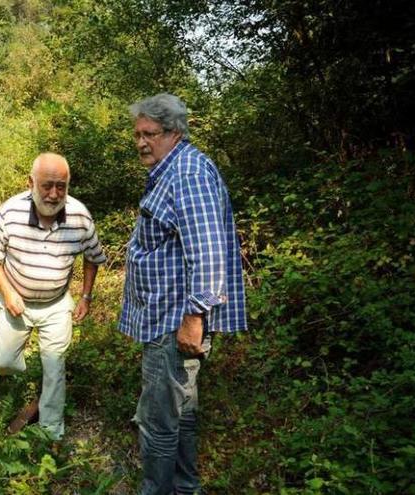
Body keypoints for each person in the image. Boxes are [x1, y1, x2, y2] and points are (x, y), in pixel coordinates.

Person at [119, 93, 247, 495]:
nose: (141, 142)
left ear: (173, 133)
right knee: (182, 412)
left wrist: (195, 317)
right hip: (166, 317)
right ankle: (185, 488)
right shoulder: (171, 168)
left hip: (173, 320)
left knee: (158, 419)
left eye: (149, 134)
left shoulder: (187, 172)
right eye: (137, 134)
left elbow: (207, 249)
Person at [0, 152, 107, 440]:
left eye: (61, 186)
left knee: (54, 367)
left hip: (56, 305)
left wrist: (85, 296)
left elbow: (93, 257)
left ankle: (51, 433)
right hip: (16, 303)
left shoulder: (79, 217)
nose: (53, 194)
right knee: (5, 360)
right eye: (46, 185)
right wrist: (8, 292)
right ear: (31, 183)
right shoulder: (9, 212)